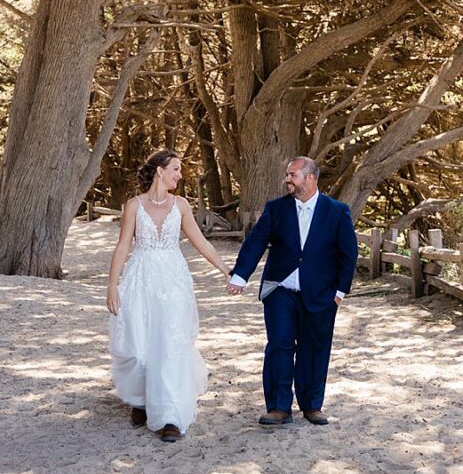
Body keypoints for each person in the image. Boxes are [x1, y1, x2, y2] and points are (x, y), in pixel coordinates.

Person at [106, 150, 228, 442]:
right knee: (138, 346)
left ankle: (170, 416)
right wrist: (112, 285)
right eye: (175, 169)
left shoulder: (181, 205)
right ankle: (140, 399)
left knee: (170, 344)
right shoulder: (133, 206)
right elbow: (123, 246)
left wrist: (227, 270)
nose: (179, 175)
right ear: (160, 171)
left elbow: (200, 241)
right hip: (140, 278)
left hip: (173, 280)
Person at [226, 156, 357, 426]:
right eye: (288, 175)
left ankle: (312, 406)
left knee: (315, 348)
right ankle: (278, 407)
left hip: (321, 293)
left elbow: (349, 254)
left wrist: (340, 292)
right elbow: (256, 241)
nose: (287, 179)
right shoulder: (276, 209)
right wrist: (240, 275)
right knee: (280, 345)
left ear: (310, 178)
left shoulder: (337, 211)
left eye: (293, 175)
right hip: (280, 290)